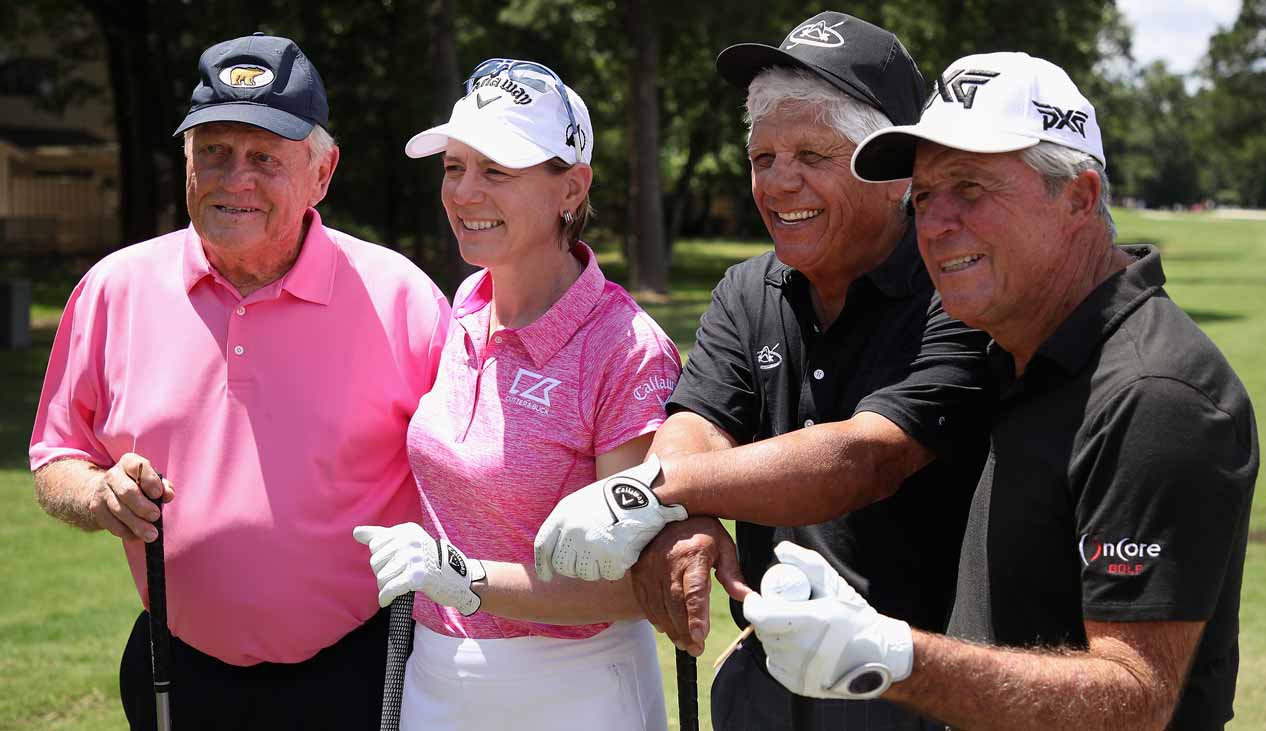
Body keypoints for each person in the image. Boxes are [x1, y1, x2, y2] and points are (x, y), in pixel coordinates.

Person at [744, 52, 1258, 731]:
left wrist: (895, 657)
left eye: (970, 188)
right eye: (924, 196)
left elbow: (1136, 697)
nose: (935, 224)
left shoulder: (1152, 393)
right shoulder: (1017, 353)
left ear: (1078, 197)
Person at [532, 12, 991, 730]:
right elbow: (696, 425)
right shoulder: (748, 290)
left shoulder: (957, 290)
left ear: (893, 172)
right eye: (762, 156)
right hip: (769, 688)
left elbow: (869, 456)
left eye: (811, 153)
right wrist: (685, 519)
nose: (779, 182)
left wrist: (652, 492)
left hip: (919, 691)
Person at [29, 33, 450, 730]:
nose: (235, 179)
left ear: (322, 172)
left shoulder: (402, 299)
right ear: (187, 162)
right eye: (215, 151)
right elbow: (56, 457)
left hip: (359, 664)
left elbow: (466, 478)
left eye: (264, 158)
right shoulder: (113, 289)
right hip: (177, 665)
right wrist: (99, 494)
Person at [351, 58, 680, 731]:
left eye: (496, 170)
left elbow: (635, 583)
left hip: (575, 689)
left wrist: (464, 577)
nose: (464, 192)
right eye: (454, 167)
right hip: (438, 674)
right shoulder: (468, 302)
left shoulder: (625, 348)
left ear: (572, 188)